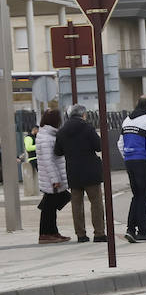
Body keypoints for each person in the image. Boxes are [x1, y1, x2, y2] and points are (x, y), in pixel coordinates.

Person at [54, 103, 106, 243]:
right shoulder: (87, 128)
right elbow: (98, 146)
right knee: (96, 203)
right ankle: (99, 233)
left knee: (76, 205)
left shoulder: (62, 131)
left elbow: (57, 151)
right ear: (83, 114)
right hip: (91, 172)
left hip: (73, 172)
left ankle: (81, 235)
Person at [118, 95, 146, 242]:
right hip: (142, 161)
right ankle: (143, 231)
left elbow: (120, 143)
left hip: (130, 161)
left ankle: (131, 229)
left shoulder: (127, 120)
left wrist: (127, 157)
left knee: (136, 195)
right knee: (145, 196)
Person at [35, 109, 70, 244]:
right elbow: (49, 160)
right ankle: (45, 234)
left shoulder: (47, 134)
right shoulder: (46, 137)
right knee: (49, 207)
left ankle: (52, 232)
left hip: (51, 177)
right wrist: (55, 180)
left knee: (50, 206)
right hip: (51, 179)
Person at [18, 125, 39, 196]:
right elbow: (28, 148)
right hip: (33, 159)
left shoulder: (34, 137)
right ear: (34, 129)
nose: (38, 132)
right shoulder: (28, 137)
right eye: (37, 130)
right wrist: (39, 146)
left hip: (36, 158)